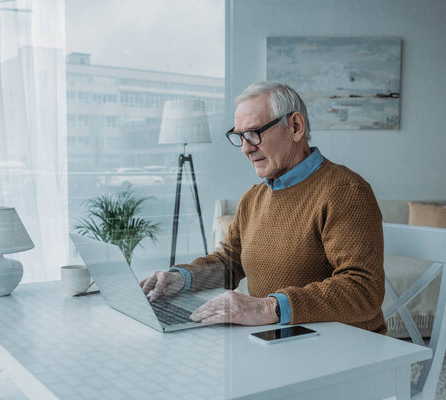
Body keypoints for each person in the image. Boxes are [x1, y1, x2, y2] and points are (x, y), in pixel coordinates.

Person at [140, 81, 386, 334]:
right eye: (240, 136)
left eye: (254, 133)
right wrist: (180, 279)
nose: (246, 148)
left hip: (344, 348)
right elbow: (230, 264)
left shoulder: (345, 190)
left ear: (295, 127)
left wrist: (268, 308)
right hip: (278, 342)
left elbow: (364, 289)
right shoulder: (253, 198)